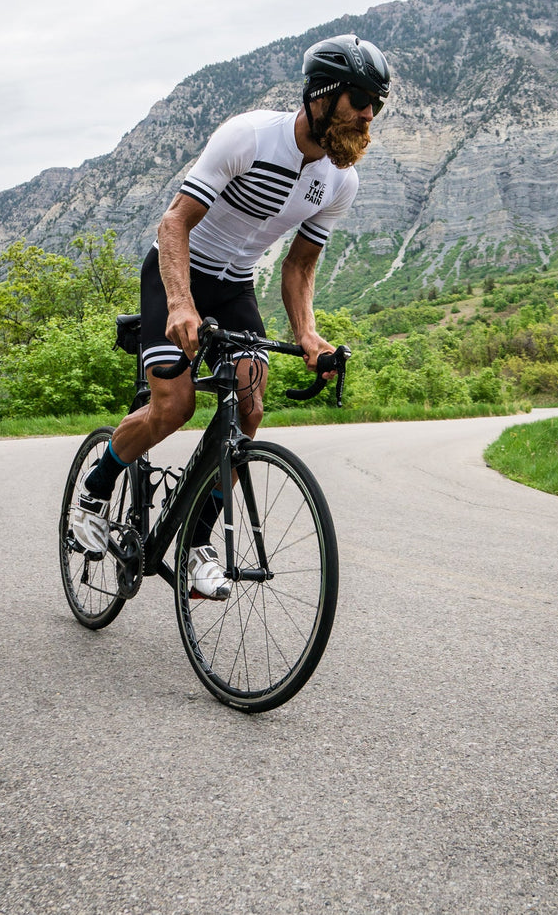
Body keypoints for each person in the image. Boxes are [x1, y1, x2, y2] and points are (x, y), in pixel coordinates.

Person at [72, 34, 391, 598]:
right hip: (179, 270)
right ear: (322, 95)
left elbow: (298, 267)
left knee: (250, 400)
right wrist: (179, 303)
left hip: (235, 284)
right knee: (174, 404)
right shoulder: (250, 136)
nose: (369, 114)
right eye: (360, 99)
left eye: (377, 104)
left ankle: (197, 544)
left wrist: (309, 335)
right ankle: (96, 491)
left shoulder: (341, 181)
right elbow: (174, 222)